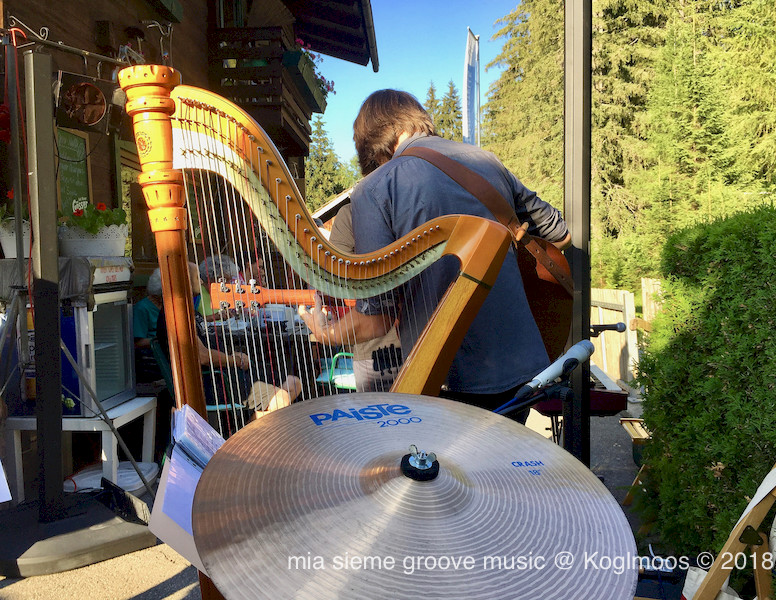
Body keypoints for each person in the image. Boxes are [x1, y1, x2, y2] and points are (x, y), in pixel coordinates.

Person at [300, 89, 570, 422]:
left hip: (450, 377)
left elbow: (378, 319)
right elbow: (561, 234)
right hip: (523, 369)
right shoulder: (487, 160)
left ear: (377, 145)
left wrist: (327, 334)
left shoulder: (375, 187)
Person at [156, 264, 301, 430]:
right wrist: (235, 360)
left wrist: (231, 355)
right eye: (197, 278)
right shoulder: (174, 315)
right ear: (184, 281)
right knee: (281, 398)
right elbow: (202, 356)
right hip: (213, 383)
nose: (202, 281)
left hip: (227, 376)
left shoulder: (189, 311)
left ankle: (248, 431)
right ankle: (243, 441)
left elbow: (204, 338)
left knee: (293, 383)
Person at [328, 202, 403, 392]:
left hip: (428, 344)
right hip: (376, 353)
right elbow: (341, 284)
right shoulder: (351, 214)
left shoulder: (352, 212)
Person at [132, 269, 163, 383]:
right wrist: (163, 340)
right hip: (152, 358)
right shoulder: (142, 308)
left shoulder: (167, 305)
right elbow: (138, 342)